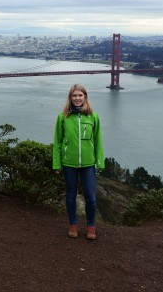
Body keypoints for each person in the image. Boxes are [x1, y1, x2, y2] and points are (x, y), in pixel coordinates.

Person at [52, 84, 104, 240]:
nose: (77, 98)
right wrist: (56, 163)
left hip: (88, 164)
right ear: (70, 98)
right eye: (74, 95)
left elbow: (98, 141)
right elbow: (58, 142)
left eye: (80, 95)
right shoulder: (63, 117)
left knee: (91, 197)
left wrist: (100, 163)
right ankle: (73, 224)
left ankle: (91, 226)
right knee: (70, 196)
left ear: (85, 97)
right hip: (69, 163)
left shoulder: (93, 117)